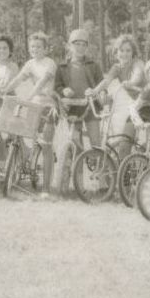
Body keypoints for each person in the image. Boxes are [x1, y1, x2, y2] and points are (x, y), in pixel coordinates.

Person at [0, 32, 57, 192]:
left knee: (46, 145)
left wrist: (30, 96)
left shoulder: (49, 63)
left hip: (47, 106)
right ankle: (22, 166)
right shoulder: (30, 64)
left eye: (39, 46)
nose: (35, 49)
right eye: (32, 46)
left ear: (46, 49)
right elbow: (18, 79)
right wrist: (5, 89)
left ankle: (45, 189)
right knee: (19, 132)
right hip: (34, 105)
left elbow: (42, 82)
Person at [53, 28, 104, 189]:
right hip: (72, 109)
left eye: (84, 44)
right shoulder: (61, 66)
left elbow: (101, 86)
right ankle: (79, 184)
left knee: (96, 143)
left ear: (87, 47)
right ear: (69, 46)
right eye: (77, 44)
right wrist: (63, 90)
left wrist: (95, 93)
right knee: (76, 145)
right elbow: (57, 87)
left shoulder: (93, 65)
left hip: (91, 108)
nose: (80, 48)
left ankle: (101, 183)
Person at [87, 33, 146, 154]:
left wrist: (131, 82)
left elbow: (138, 74)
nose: (124, 54)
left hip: (143, 105)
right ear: (116, 52)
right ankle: (121, 165)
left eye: (128, 50)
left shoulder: (137, 63)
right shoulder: (117, 67)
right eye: (121, 50)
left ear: (133, 52)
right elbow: (106, 81)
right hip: (132, 106)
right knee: (113, 137)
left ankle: (124, 168)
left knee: (124, 143)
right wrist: (95, 91)